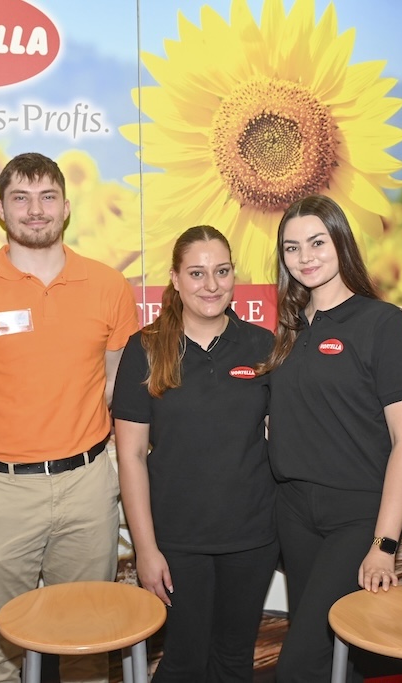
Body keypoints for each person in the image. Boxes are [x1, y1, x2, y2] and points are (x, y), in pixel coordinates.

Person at [0, 152, 139, 683]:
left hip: (87, 485)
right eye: (21, 198)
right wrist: (9, 433)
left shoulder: (109, 287)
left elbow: (115, 382)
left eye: (47, 197)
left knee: (87, 643)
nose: (35, 210)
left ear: (66, 207)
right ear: (1, 209)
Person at [259, 195, 402, 683]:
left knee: (300, 664)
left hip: (355, 516)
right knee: (336, 658)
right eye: (292, 248)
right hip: (293, 513)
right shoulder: (290, 328)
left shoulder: (381, 322)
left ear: (341, 242)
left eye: (317, 242)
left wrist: (384, 544)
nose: (305, 257)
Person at [113, 226, 279, 682]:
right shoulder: (145, 348)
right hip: (177, 541)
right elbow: (131, 457)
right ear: (175, 278)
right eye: (197, 273)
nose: (211, 285)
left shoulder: (262, 345)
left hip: (252, 537)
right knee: (184, 661)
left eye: (221, 272)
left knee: (233, 661)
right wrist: (146, 550)